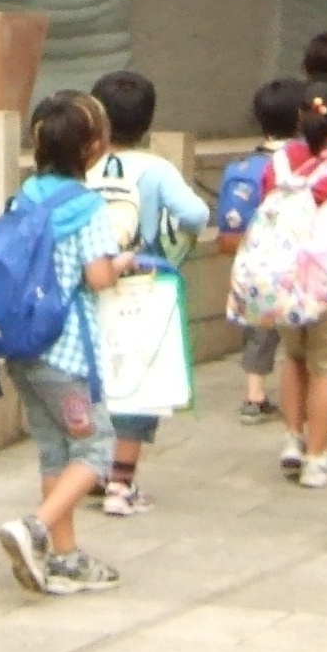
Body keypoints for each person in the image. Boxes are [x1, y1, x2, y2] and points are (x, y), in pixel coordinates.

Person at [0, 91, 145, 595]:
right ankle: (35, 530)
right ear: (95, 147)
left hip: (23, 351)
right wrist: (122, 262)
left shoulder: (26, 196)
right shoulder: (87, 207)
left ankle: (65, 559)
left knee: (55, 452)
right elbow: (99, 278)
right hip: (66, 356)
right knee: (98, 448)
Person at [89, 70, 212, 516]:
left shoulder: (84, 164)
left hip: (89, 281)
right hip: (140, 283)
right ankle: (121, 485)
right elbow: (195, 213)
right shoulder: (156, 169)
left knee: (95, 376)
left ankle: (94, 469)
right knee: (135, 378)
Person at [268, 76, 327, 490]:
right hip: (324, 278)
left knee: (293, 356)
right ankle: (317, 459)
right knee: (326, 365)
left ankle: (292, 439)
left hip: (280, 275)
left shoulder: (280, 162)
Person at [220, 76, 312, 422]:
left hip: (257, 263)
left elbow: (231, 229)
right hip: (301, 264)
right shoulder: (310, 163)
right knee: (307, 337)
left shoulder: (242, 169)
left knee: (258, 328)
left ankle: (254, 395)